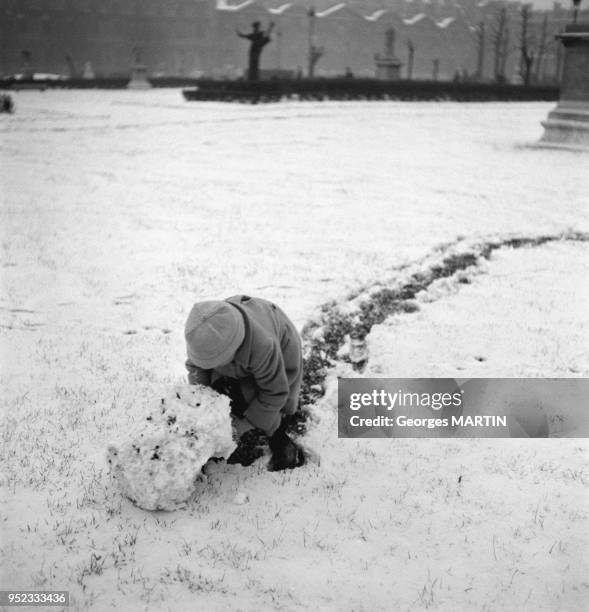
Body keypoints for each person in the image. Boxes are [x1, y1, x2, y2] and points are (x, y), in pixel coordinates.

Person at [184, 295, 305, 470]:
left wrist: (242, 426)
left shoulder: (263, 346)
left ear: (230, 353)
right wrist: (201, 404)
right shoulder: (204, 335)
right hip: (238, 349)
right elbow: (197, 369)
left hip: (280, 348)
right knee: (221, 388)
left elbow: (274, 393)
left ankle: (280, 441)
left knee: (267, 402)